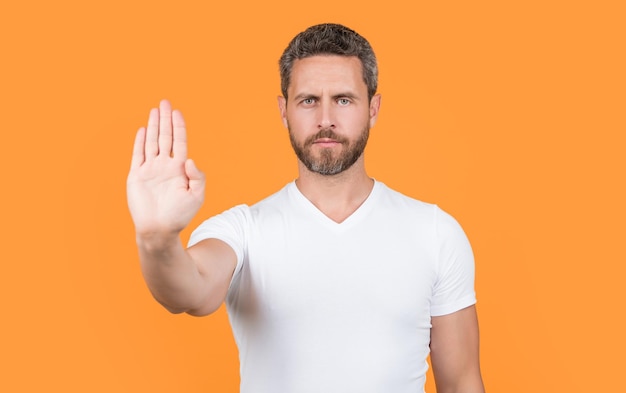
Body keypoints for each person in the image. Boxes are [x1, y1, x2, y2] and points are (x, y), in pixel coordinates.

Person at [127, 23, 485, 393]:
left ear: (373, 108)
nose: (325, 119)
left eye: (343, 99)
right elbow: (188, 292)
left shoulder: (435, 233)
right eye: (308, 100)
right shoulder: (243, 232)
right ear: (284, 110)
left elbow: (461, 382)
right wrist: (157, 239)